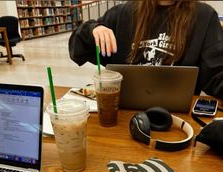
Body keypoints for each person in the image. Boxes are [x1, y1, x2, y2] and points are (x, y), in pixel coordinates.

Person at [69, 0, 223, 99]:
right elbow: (77, 50)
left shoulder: (205, 16)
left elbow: (216, 75)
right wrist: (92, 30)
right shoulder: (123, 13)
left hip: (180, 119)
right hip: (121, 117)